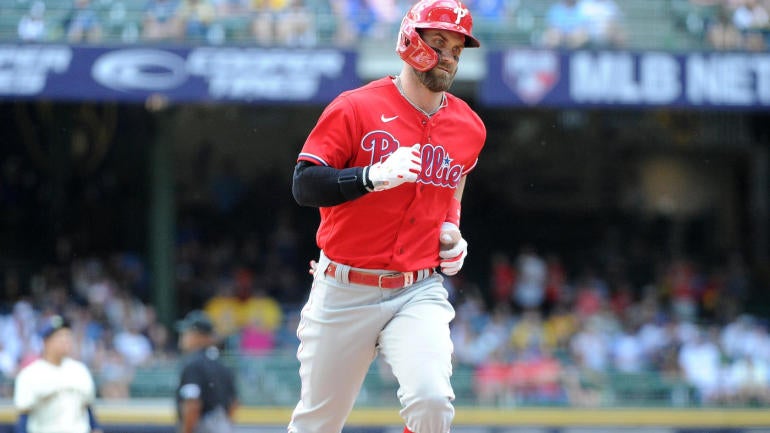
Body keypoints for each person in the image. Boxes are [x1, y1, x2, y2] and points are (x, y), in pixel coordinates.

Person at [289, 0, 486, 432]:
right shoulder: (355, 107)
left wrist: (451, 230)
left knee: (432, 401)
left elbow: (455, 183)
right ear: (410, 40)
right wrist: (369, 176)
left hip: (417, 290)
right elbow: (304, 185)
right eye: (438, 42)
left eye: (457, 47)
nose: (449, 56)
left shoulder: (469, 127)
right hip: (344, 288)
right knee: (317, 423)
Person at [13, 315, 102, 433]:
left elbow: (88, 408)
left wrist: (95, 428)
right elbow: (23, 416)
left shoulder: (80, 370)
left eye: (68, 336)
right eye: (60, 336)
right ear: (46, 342)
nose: (66, 341)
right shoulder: (30, 374)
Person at [175, 310, 238, 433]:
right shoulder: (222, 364)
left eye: (187, 333)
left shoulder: (193, 364)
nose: (183, 337)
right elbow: (233, 404)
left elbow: (192, 405)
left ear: (200, 336)